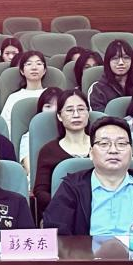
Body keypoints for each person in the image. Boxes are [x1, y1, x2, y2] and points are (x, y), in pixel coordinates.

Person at [44, 117, 133, 235]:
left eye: (121, 144)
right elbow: (56, 235)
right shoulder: (72, 188)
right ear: (91, 153)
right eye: (104, 144)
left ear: (132, 153)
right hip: (86, 258)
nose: (113, 150)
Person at [32, 89, 92, 219]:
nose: (76, 114)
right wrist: (65, 206)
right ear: (59, 116)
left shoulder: (101, 145)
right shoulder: (48, 151)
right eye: (69, 110)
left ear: (88, 113)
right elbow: (40, 192)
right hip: (62, 214)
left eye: (81, 109)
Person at [0, 50, 48, 131]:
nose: (34, 68)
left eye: (39, 64)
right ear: (22, 71)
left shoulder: (52, 95)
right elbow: (5, 126)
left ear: (44, 70)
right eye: (29, 64)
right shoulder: (14, 97)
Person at [89, 40, 133, 112]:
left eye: (126, 57)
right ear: (108, 62)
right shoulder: (98, 89)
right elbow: (99, 116)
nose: (121, 63)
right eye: (115, 58)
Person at [17, 87, 62, 173]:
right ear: (40, 110)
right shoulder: (30, 136)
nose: (53, 111)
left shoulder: (71, 134)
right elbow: (31, 169)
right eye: (48, 106)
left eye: (58, 106)